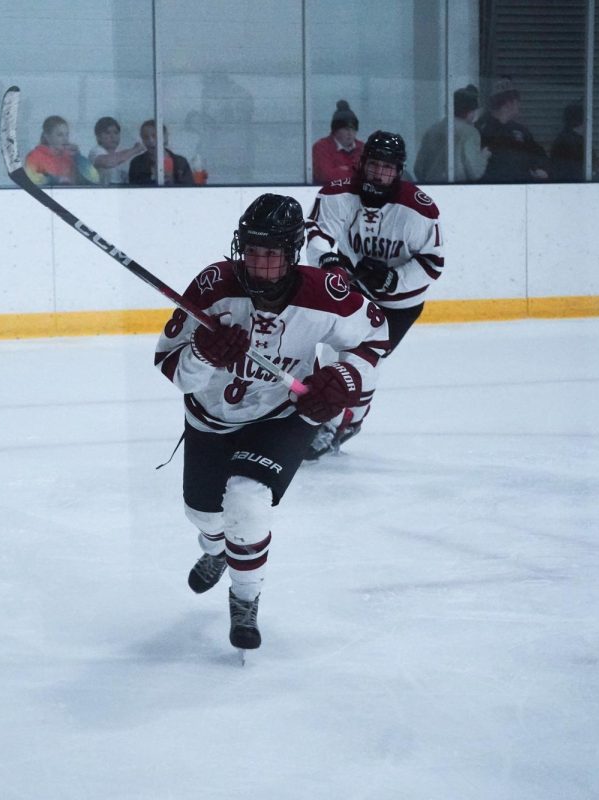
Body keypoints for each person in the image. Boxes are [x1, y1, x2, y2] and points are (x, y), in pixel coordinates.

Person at [155, 194, 388, 654]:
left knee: (247, 499)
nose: (260, 265)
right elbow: (170, 364)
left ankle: (244, 600)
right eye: (253, 252)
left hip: (283, 415)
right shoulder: (214, 286)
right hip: (210, 417)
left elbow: (373, 338)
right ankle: (216, 546)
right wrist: (203, 353)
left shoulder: (325, 295)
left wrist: (345, 376)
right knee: (202, 513)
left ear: (293, 252)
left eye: (272, 254)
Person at [302, 131, 444, 458]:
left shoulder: (419, 210)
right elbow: (318, 233)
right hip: (354, 294)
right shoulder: (338, 193)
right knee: (315, 348)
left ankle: (342, 424)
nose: (380, 174)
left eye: (388, 168)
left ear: (399, 170)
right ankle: (318, 411)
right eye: (375, 165)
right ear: (362, 163)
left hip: (398, 306)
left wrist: (393, 280)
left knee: (358, 362)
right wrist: (331, 263)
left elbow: (433, 263)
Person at [414, 84, 491, 183]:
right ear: (470, 111)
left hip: (431, 189)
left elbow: (418, 169)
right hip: (457, 190)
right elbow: (474, 172)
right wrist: (484, 156)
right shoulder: (469, 132)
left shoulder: (433, 130)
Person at [478, 78, 548, 182]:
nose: (519, 105)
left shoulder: (520, 130)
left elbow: (538, 154)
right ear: (508, 103)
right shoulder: (482, 130)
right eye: (517, 101)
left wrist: (539, 168)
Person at [24, 115, 98, 186]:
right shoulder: (34, 156)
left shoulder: (70, 157)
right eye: (60, 135)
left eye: (67, 135)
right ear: (47, 137)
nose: (65, 139)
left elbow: (95, 178)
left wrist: (78, 157)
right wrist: (54, 180)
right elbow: (29, 179)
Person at [548, 101, 599, 182]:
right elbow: (577, 171)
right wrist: (597, 171)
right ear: (581, 121)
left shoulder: (566, 140)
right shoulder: (573, 144)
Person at [312, 101, 364, 184]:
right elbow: (325, 176)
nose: (350, 133)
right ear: (335, 131)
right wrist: (354, 171)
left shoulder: (363, 148)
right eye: (346, 129)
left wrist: (343, 170)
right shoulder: (321, 147)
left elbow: (369, 175)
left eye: (353, 129)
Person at [128, 120, 195, 185]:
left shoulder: (180, 162)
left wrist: (171, 180)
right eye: (145, 137)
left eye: (155, 136)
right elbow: (134, 191)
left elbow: (189, 189)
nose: (150, 140)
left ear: (165, 137)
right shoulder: (136, 163)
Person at [87, 116, 145, 185]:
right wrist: (135, 149)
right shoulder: (95, 151)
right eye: (108, 133)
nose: (113, 136)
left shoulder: (123, 152)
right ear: (98, 137)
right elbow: (109, 162)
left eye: (116, 133)